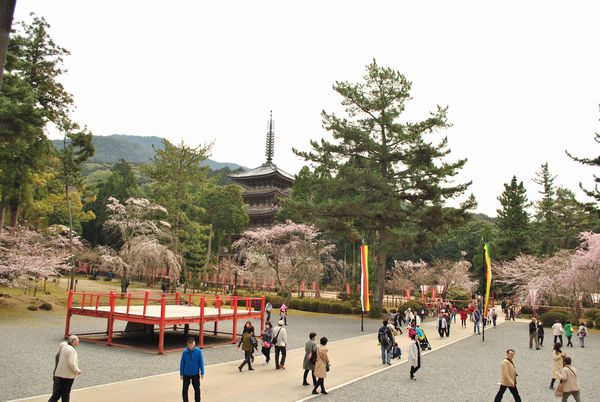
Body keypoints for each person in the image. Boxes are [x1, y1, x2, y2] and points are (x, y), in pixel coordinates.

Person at [49, 335, 82, 402]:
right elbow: (71, 363)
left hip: (60, 374)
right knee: (65, 392)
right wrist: (77, 370)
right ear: (74, 341)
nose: (78, 342)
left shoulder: (64, 348)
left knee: (60, 391)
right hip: (68, 375)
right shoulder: (72, 350)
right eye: (77, 341)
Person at [180, 337, 204, 402]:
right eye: (189, 343)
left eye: (192, 343)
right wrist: (181, 373)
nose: (190, 344)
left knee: (197, 389)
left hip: (195, 374)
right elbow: (182, 363)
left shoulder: (198, 351)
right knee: (184, 389)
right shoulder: (184, 352)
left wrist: (202, 372)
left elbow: (201, 362)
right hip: (186, 374)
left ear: (194, 343)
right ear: (187, 344)